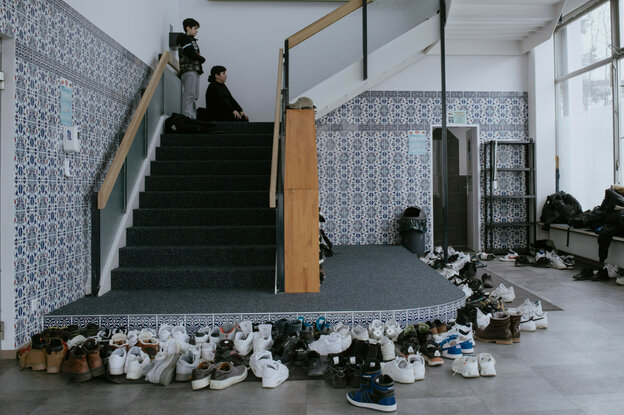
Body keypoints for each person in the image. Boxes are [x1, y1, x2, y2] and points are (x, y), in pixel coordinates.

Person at [177, 18, 205, 119]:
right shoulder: (185, 39)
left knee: (194, 95)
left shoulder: (191, 40)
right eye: (195, 28)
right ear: (188, 28)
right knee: (189, 95)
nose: (196, 31)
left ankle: (192, 117)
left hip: (194, 70)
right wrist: (201, 59)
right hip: (189, 69)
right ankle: (187, 117)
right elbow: (189, 52)